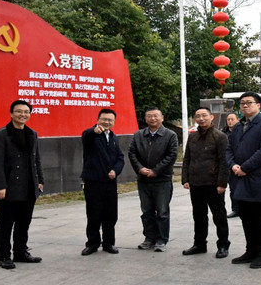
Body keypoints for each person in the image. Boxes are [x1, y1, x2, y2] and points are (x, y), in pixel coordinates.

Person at [0, 100, 44, 269]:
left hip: (29, 187)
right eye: (19, 111)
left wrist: (40, 181)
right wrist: (0, 186)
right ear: (11, 113)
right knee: (6, 223)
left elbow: (36, 159)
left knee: (24, 222)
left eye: (26, 112)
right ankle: (4, 255)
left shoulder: (31, 133)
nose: (23, 114)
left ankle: (21, 252)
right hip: (9, 187)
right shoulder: (1, 135)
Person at [226, 92, 261, 269]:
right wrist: (233, 165)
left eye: (249, 103)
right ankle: (251, 250)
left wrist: (245, 168)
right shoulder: (239, 126)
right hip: (240, 179)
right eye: (242, 104)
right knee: (246, 218)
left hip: (259, 179)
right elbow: (229, 149)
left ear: (258, 105)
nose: (245, 106)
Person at [181, 107, 231, 258]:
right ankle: (199, 244)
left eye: (204, 116)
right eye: (198, 116)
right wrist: (185, 178)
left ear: (211, 117)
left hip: (213, 184)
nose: (201, 118)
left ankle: (223, 245)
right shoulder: (192, 136)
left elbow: (224, 161)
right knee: (199, 215)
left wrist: (222, 183)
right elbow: (187, 159)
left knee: (219, 216)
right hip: (196, 183)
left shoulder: (220, 136)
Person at [128, 107, 179, 252]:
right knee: (147, 211)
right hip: (143, 180)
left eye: (156, 116)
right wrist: (140, 169)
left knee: (162, 211)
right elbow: (132, 154)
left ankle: (161, 239)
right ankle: (149, 238)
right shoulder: (138, 135)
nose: (153, 119)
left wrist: (156, 171)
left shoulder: (170, 135)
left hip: (162, 180)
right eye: (149, 116)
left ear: (162, 118)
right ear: (145, 119)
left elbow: (171, 155)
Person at [80, 109, 125, 256]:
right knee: (94, 215)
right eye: (104, 119)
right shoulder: (90, 134)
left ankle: (108, 243)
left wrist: (116, 170)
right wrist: (95, 132)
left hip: (110, 183)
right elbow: (87, 137)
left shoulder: (113, 137)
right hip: (93, 181)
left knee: (111, 215)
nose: (107, 122)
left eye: (110, 120)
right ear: (98, 119)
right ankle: (92, 243)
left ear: (114, 122)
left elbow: (120, 157)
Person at [224, 112, 240, 218]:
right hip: (227, 164)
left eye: (232, 119)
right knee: (232, 189)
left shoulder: (241, 131)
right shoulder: (223, 133)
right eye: (228, 119)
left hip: (239, 163)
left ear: (237, 120)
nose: (230, 121)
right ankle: (235, 209)